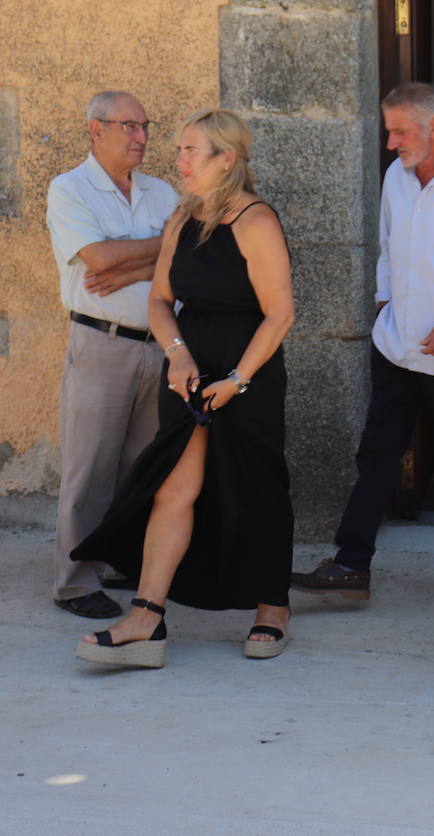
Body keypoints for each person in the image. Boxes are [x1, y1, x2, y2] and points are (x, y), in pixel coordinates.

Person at [71, 109, 296, 667]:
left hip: (249, 370)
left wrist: (239, 380)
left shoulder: (255, 221)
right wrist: (176, 356)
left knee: (254, 486)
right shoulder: (180, 220)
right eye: (181, 150)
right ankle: (147, 618)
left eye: (192, 150)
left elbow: (280, 314)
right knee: (173, 489)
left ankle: (272, 607)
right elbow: (159, 300)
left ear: (227, 158)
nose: (180, 160)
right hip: (189, 371)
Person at [291, 83, 434, 609]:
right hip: (396, 346)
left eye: (400, 130)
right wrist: (383, 302)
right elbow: (387, 248)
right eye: (388, 129)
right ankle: (351, 565)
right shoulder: (396, 177)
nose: (390, 141)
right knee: (376, 456)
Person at [46, 91, 179, 620]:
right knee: (89, 469)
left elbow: (184, 251)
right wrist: (156, 248)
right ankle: (75, 583)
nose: (141, 137)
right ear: (95, 129)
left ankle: (121, 561)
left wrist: (129, 260)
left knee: (141, 467)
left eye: (145, 126)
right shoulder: (70, 189)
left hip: (161, 345)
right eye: (128, 126)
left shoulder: (162, 191)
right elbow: (97, 258)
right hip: (100, 343)